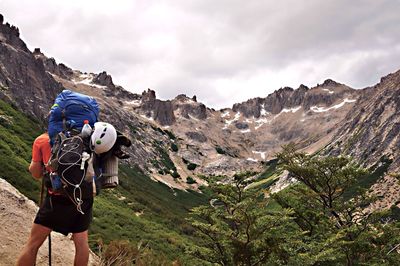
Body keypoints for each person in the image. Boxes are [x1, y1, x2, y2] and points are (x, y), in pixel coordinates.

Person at [17, 132, 93, 266]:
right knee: (81, 243)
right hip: (82, 198)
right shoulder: (87, 137)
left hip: (57, 199)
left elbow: (36, 173)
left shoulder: (42, 140)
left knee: (33, 244)